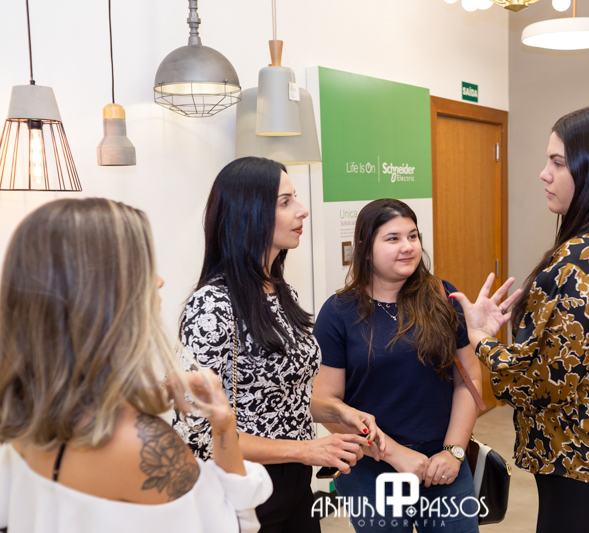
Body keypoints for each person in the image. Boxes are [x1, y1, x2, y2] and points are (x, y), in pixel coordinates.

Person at [449, 105, 589, 533]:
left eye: (558, 162)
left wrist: (480, 339)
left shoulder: (582, 259)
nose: (544, 174)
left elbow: (541, 382)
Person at [0, 198, 272, 533]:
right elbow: (237, 525)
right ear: (105, 295)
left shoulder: (25, 420)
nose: (159, 281)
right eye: (143, 268)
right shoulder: (145, 447)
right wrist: (224, 426)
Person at [172, 157, 383, 533]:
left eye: (295, 198)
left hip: (294, 486)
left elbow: (278, 399)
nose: (302, 210)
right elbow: (197, 432)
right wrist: (306, 450)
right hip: (244, 488)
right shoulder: (213, 304)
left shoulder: (281, 292)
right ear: (248, 214)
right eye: (285, 202)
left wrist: (338, 412)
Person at [313, 198, 482, 533]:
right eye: (393, 238)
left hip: (441, 464)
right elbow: (326, 406)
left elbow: (468, 379)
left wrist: (453, 452)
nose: (407, 246)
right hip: (371, 468)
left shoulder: (442, 297)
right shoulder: (338, 312)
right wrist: (394, 454)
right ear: (365, 249)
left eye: (413, 236)